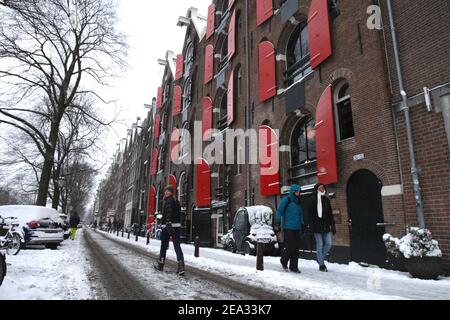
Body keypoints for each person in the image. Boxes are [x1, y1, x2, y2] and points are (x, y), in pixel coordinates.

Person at [154, 185, 185, 276]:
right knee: (177, 246)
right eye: (165, 191)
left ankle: (161, 264)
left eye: (168, 191)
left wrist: (167, 222)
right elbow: (179, 214)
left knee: (163, 246)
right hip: (176, 226)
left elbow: (169, 211)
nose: (166, 192)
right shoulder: (176, 201)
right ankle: (181, 267)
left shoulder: (168, 201)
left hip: (167, 226)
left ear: (171, 192)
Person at [306, 184, 336, 272]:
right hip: (316, 226)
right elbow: (309, 213)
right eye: (320, 188)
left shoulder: (326, 200)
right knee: (320, 245)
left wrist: (333, 224)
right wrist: (310, 224)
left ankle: (319, 258)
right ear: (316, 189)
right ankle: (322, 265)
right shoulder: (312, 199)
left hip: (326, 225)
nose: (322, 189)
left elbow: (330, 213)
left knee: (328, 244)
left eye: (323, 188)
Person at [275, 184, 304, 273]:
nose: (299, 193)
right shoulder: (286, 200)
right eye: (297, 191)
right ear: (293, 191)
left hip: (297, 227)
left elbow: (300, 214)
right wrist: (277, 222)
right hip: (288, 227)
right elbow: (279, 211)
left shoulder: (298, 202)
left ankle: (294, 267)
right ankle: (284, 260)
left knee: (296, 248)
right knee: (290, 246)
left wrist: (302, 224)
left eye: (299, 191)